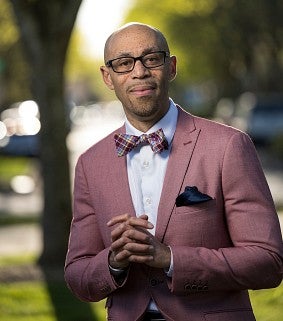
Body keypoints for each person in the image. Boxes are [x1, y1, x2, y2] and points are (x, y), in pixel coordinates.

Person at [64, 22, 283, 321]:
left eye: (151, 58)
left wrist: (171, 258)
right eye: (124, 63)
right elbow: (78, 275)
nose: (139, 72)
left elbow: (268, 262)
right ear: (108, 77)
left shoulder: (229, 145)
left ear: (171, 67)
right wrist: (114, 261)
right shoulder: (90, 164)